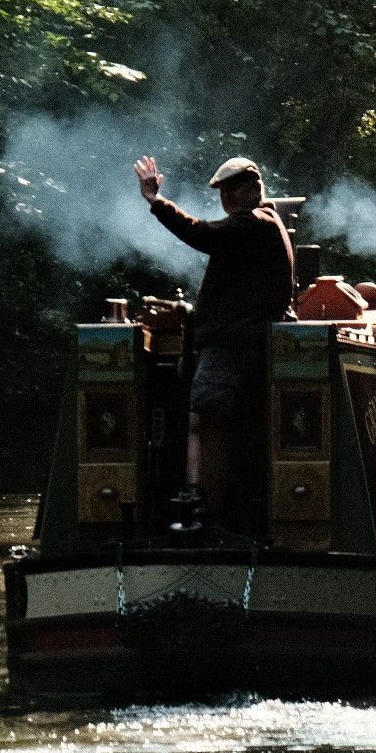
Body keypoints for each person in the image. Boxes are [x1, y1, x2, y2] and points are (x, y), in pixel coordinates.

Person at [134, 153, 296, 519]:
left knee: (206, 422)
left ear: (252, 190)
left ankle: (205, 513)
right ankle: (209, 506)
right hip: (240, 344)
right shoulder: (268, 223)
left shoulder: (253, 226)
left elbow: (200, 233)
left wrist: (156, 201)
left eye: (233, 190)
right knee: (206, 421)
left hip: (230, 347)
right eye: (223, 192)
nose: (226, 198)